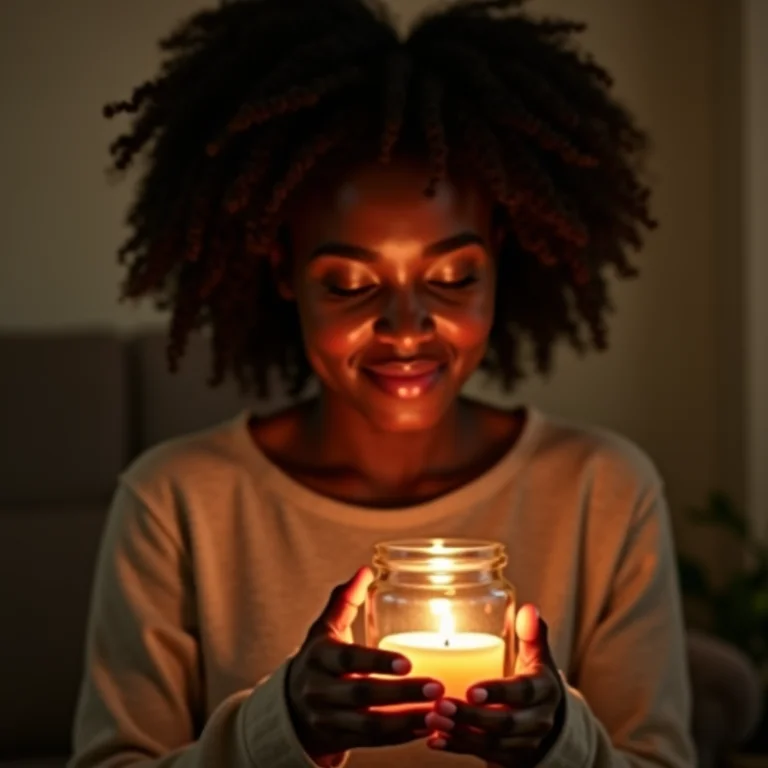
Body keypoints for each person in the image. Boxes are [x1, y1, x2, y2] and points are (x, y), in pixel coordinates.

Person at [69, 0, 695, 766]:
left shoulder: (604, 492)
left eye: (453, 275)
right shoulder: (177, 503)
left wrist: (561, 741)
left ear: (502, 255)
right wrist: (282, 727)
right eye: (349, 283)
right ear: (284, 272)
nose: (406, 327)